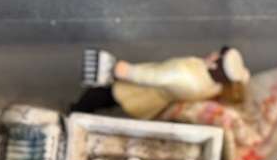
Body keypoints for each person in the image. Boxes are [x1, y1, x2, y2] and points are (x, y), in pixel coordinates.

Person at [72, 46, 250, 119]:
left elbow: (156, 76)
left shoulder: (186, 75)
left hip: (140, 91)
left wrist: (128, 71)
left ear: (215, 64)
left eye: (218, 55)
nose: (214, 53)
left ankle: (77, 113)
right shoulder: (215, 86)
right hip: (156, 101)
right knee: (109, 100)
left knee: (99, 95)